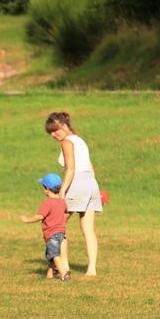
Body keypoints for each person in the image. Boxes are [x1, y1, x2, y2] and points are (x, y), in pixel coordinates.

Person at [45, 111, 102, 276]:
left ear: (64, 126)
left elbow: (70, 168)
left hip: (76, 182)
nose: (53, 135)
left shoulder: (67, 142)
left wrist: (62, 191)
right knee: (88, 228)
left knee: (59, 225)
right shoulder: (80, 140)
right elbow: (90, 166)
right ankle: (91, 269)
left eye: (55, 130)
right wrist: (94, 189)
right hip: (91, 183)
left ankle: (64, 267)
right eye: (50, 133)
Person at [21, 173, 70, 281]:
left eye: (43, 187)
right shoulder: (62, 202)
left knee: (54, 255)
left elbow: (40, 216)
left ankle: (64, 274)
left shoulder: (47, 203)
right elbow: (66, 214)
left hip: (52, 234)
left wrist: (28, 220)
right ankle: (49, 275)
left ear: (47, 189)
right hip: (61, 233)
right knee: (50, 256)